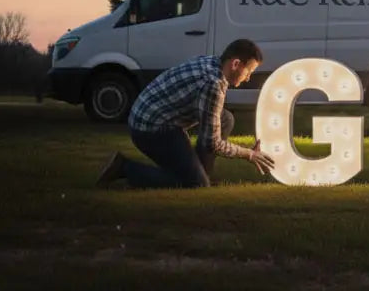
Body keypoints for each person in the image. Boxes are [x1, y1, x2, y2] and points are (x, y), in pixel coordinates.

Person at [95, 38, 275, 188]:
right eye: (249, 71)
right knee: (194, 183)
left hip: (151, 115)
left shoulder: (211, 62)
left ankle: (201, 172)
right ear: (236, 64)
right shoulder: (213, 84)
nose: (248, 77)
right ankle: (124, 168)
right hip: (151, 129)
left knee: (225, 118)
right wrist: (249, 154)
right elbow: (213, 143)